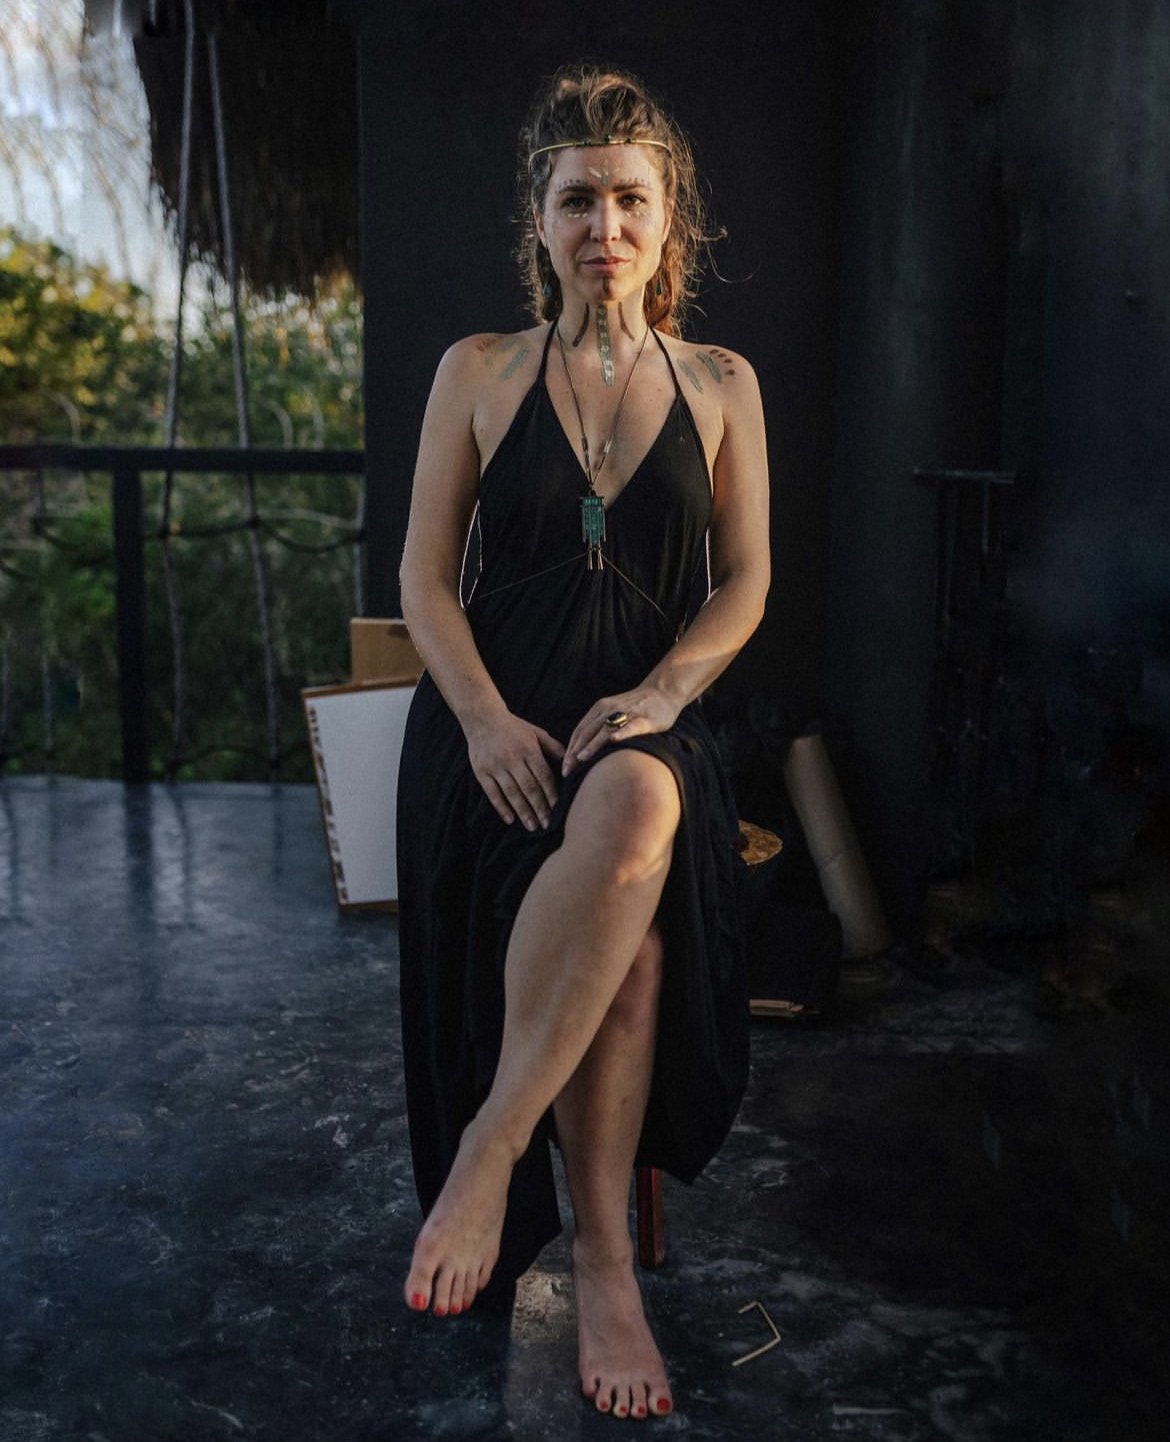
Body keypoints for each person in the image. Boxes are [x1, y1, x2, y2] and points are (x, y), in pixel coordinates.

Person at [395, 63, 770, 1420]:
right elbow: (426, 581)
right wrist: (487, 717)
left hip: (642, 721)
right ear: (537, 220)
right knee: (635, 951)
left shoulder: (722, 382)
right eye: (575, 199)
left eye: (628, 198)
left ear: (670, 221)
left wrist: (669, 692)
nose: (601, 223)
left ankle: (492, 1160)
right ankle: (605, 1261)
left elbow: (746, 583)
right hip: (497, 732)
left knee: (639, 809)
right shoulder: (478, 373)